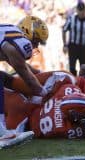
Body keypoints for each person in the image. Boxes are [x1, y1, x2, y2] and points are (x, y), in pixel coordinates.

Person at [0, 15, 49, 145]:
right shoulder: (21, 42)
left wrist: (40, 73)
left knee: (2, 77)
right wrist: (45, 93)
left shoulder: (10, 32)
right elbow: (25, 75)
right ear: (28, 32)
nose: (36, 45)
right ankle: (1, 133)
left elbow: (20, 64)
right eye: (36, 41)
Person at [62, 1, 85, 76]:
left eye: (83, 10)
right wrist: (65, 45)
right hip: (73, 46)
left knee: (84, 68)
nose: (81, 13)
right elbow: (64, 30)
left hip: (84, 47)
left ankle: (82, 85)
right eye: (80, 10)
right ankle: (73, 85)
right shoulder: (71, 19)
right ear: (77, 10)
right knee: (72, 68)